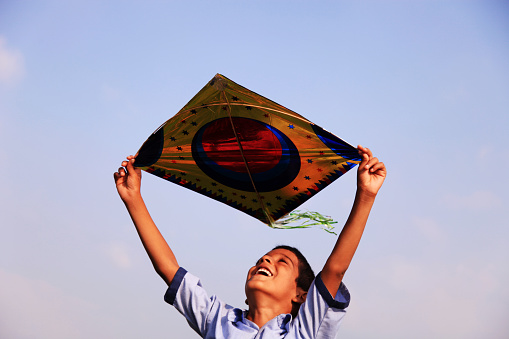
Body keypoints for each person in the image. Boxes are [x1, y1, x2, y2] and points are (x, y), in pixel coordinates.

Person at [114, 145, 386, 338]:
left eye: (283, 262)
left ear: (302, 295)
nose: (266, 260)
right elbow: (169, 269)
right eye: (261, 259)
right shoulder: (217, 320)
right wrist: (134, 198)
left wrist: (365, 195)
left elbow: (335, 269)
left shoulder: (304, 330)